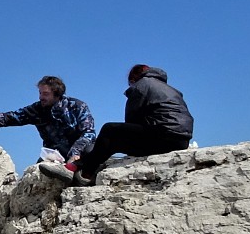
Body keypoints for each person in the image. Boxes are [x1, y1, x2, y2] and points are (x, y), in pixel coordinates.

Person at [56, 65, 194, 186]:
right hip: (180, 141)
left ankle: (82, 171)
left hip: (163, 134)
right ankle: (84, 168)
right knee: (113, 142)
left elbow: (131, 120)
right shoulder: (170, 89)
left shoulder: (142, 84)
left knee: (110, 130)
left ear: (133, 80)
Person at [0, 76, 96, 175]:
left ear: (57, 94)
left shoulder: (77, 106)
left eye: (45, 94)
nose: (41, 97)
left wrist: (75, 152)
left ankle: (79, 173)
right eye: (40, 93)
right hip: (54, 155)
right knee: (36, 173)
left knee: (91, 150)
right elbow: (9, 118)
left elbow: (89, 132)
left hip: (79, 153)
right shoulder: (36, 110)